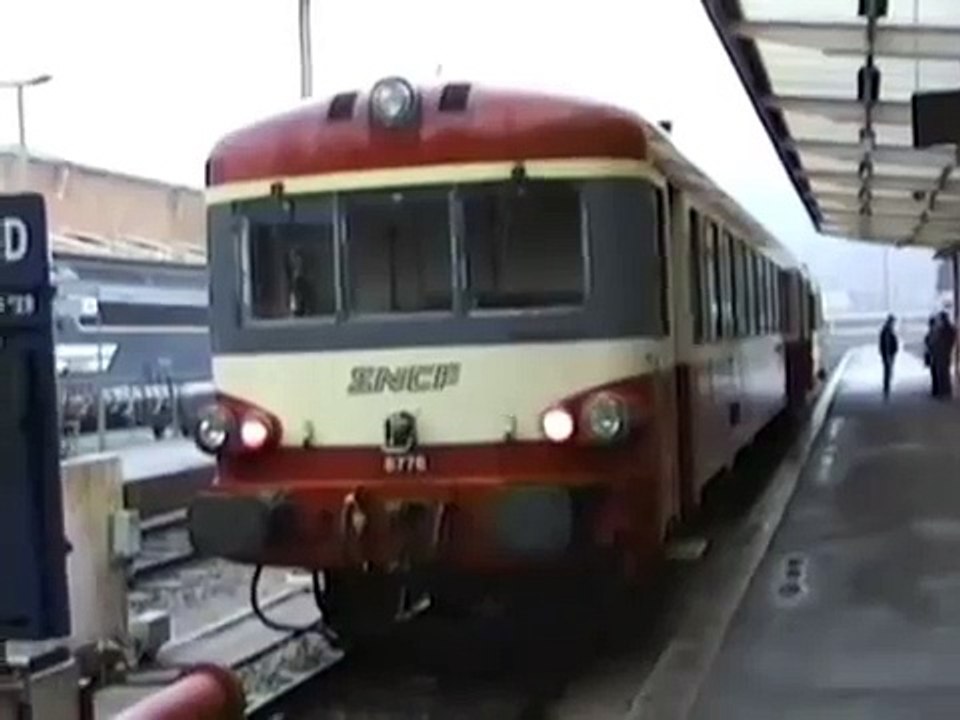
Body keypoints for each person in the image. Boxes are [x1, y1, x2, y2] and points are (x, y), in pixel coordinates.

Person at [934, 311, 957, 399]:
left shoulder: (944, 329)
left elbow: (940, 340)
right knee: (944, 372)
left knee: (943, 372)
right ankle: (945, 391)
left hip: (943, 353)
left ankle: (944, 391)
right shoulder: (949, 328)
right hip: (945, 352)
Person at [878, 314, 899, 399]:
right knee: (887, 371)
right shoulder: (887, 331)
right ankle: (886, 387)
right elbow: (887, 344)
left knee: (888, 370)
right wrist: (887, 355)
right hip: (888, 354)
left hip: (889, 354)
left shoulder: (887, 330)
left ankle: (887, 386)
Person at [924, 316, 939, 397]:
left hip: (933, 355)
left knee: (934, 373)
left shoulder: (932, 333)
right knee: (934, 373)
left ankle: (935, 389)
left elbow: (929, 343)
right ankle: (935, 389)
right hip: (934, 355)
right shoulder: (934, 332)